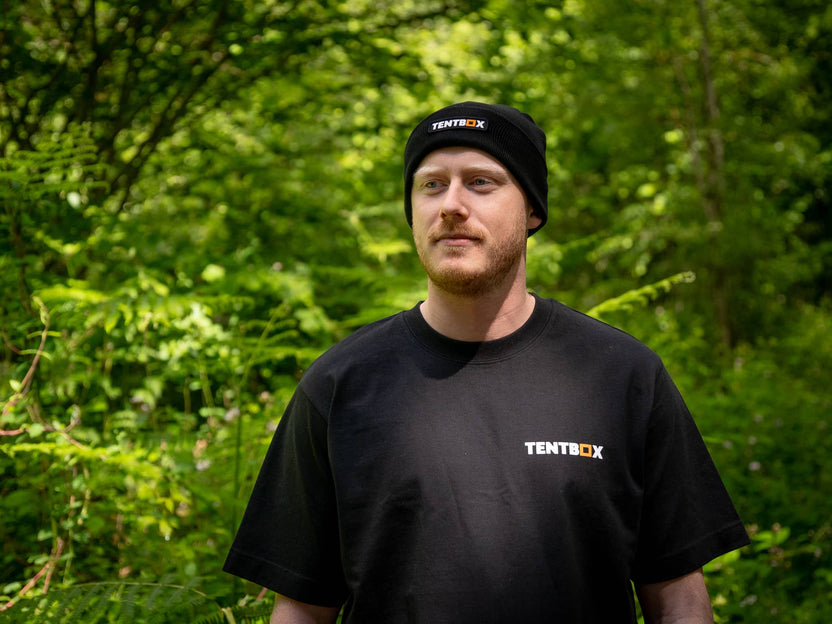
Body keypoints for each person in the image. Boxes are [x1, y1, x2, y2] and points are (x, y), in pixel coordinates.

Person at [223, 102, 750, 623]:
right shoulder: (340, 384)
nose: (451, 204)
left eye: (480, 182)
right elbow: (302, 609)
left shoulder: (622, 376)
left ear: (533, 210)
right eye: (431, 185)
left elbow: (678, 600)